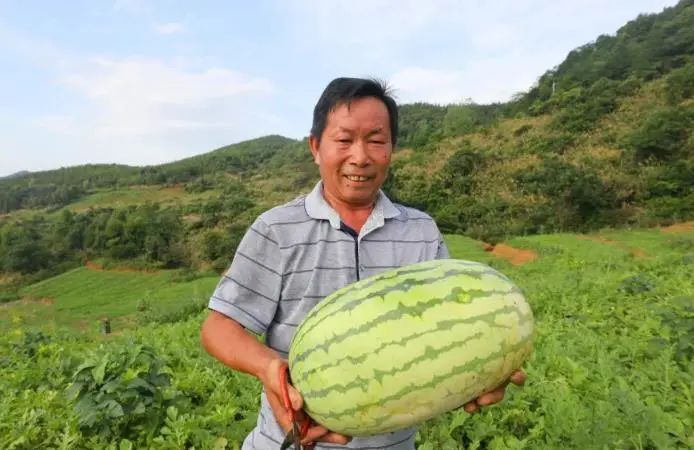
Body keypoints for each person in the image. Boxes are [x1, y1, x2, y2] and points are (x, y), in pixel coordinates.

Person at [200, 77, 526, 450]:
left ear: (391, 148)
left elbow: (454, 331)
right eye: (344, 140)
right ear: (315, 146)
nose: (360, 156)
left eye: (375, 140)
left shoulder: (421, 231)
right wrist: (269, 368)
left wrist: (479, 371)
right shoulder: (276, 229)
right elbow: (218, 327)